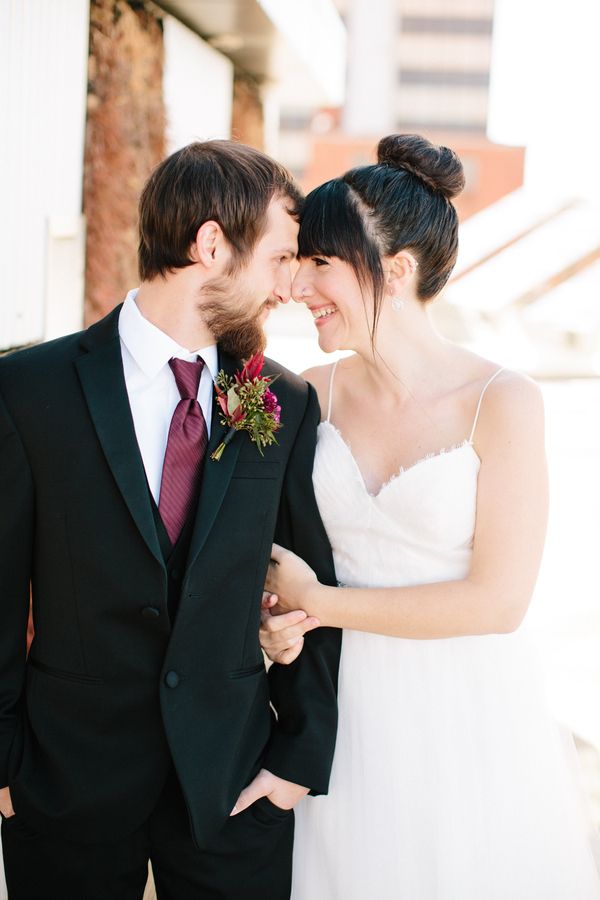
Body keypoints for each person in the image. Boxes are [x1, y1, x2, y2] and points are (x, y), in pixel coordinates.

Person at [259, 134, 600, 898]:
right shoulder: (308, 396)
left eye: (322, 262)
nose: (300, 284)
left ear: (396, 270)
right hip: (342, 723)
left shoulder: (503, 402)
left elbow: (499, 602)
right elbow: (272, 551)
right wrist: (277, 619)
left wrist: (321, 604)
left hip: (467, 723)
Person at [0, 140, 342, 900]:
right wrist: (4, 770)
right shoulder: (28, 390)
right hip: (62, 786)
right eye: (281, 258)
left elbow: (315, 585)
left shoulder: (282, 403)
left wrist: (296, 761)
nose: (291, 285)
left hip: (234, 787)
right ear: (211, 243)